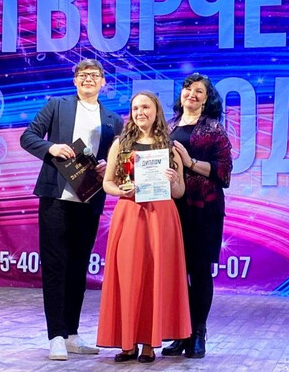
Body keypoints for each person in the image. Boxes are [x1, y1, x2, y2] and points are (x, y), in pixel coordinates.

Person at [20, 59, 123, 361]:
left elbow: (117, 159)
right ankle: (55, 336)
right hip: (56, 197)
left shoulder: (113, 120)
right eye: (83, 75)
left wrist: (107, 166)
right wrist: (50, 148)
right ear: (75, 80)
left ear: (103, 82)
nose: (88, 79)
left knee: (78, 267)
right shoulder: (57, 106)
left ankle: (72, 334)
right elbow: (28, 137)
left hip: (89, 199)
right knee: (55, 266)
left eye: (94, 75)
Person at [96, 91, 191, 363]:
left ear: (156, 110)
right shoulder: (120, 144)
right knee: (129, 276)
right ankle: (128, 343)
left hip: (161, 217)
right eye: (136, 108)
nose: (140, 112)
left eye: (146, 107)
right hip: (130, 214)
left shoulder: (169, 146)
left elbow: (180, 192)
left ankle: (150, 343)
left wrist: (174, 180)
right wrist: (122, 190)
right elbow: (108, 183)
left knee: (155, 277)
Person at [162, 73, 232, 359]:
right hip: (171, 208)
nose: (191, 94)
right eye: (187, 89)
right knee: (176, 272)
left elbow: (224, 173)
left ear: (206, 98)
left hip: (204, 209)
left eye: (199, 91)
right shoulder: (167, 127)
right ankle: (180, 332)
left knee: (199, 271)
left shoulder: (215, 129)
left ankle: (198, 333)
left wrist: (190, 162)